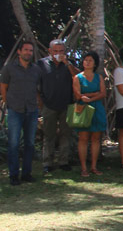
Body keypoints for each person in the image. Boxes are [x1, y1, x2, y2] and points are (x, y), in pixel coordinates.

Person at [1, 41, 44, 185]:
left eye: (30, 50)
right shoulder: (9, 68)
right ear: (19, 51)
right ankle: (13, 175)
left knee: (30, 144)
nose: (28, 53)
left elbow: (38, 89)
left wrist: (39, 105)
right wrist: (9, 103)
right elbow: (3, 87)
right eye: (25, 50)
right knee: (13, 143)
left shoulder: (36, 70)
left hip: (31, 110)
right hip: (15, 110)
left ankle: (26, 173)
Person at [38, 39, 78, 174]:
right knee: (49, 135)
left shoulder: (68, 64)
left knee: (65, 134)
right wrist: (40, 104)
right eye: (55, 51)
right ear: (50, 51)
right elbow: (36, 85)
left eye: (61, 51)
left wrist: (67, 63)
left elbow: (78, 76)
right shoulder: (42, 64)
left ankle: (63, 161)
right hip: (48, 105)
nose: (58, 53)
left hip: (66, 104)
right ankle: (47, 162)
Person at [71, 51, 107, 178]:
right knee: (83, 138)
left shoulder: (99, 77)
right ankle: (83, 168)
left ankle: (94, 166)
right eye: (85, 60)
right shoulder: (77, 77)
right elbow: (78, 94)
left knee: (96, 138)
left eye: (90, 60)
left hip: (97, 108)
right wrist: (94, 94)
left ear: (95, 63)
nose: (87, 62)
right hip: (83, 109)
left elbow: (103, 93)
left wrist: (90, 97)